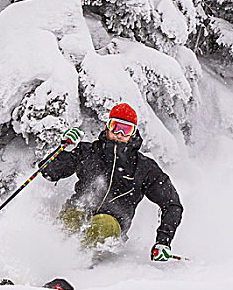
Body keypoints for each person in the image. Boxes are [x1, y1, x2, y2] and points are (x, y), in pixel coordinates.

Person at [40, 103, 183, 262]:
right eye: (116, 127)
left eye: (126, 129)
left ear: (133, 133)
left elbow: (172, 204)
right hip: (79, 211)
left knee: (104, 223)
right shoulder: (88, 152)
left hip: (112, 227)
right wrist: (64, 151)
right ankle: (44, 262)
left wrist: (163, 242)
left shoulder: (143, 167)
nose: (119, 134)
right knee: (73, 217)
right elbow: (49, 173)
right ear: (107, 127)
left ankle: (72, 266)